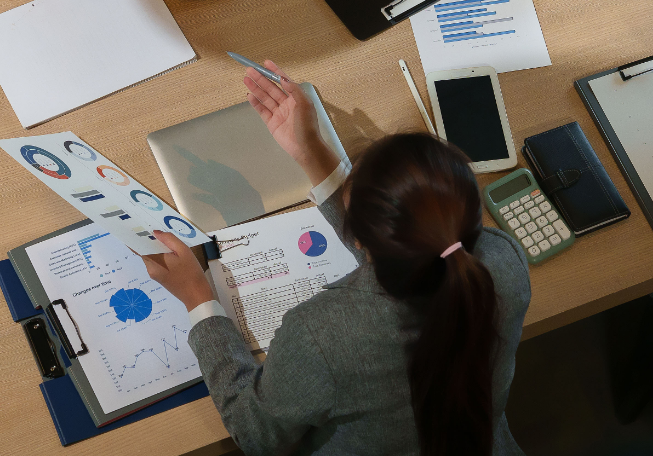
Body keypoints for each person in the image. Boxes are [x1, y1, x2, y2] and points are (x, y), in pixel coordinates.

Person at [141, 62, 531, 456]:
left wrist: (198, 300)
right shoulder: (502, 259)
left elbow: (256, 434)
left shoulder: (321, 335)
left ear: (361, 241)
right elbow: (407, 249)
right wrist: (310, 149)